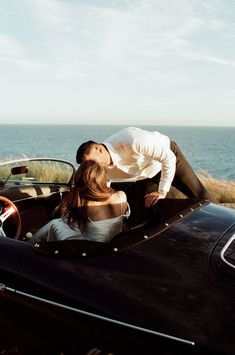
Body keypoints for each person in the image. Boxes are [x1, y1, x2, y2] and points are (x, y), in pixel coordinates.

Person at [76, 126, 216, 207]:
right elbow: (103, 189)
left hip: (167, 158)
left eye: (92, 161)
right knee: (150, 205)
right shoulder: (99, 168)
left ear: (99, 149)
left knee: (201, 196)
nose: (91, 167)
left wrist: (162, 191)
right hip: (146, 175)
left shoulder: (133, 140)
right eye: (87, 164)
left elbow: (168, 158)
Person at [31, 160, 130, 243]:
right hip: (112, 246)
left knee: (55, 224)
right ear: (102, 178)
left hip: (88, 250)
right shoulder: (121, 196)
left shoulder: (82, 203)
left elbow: (65, 217)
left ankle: (30, 244)